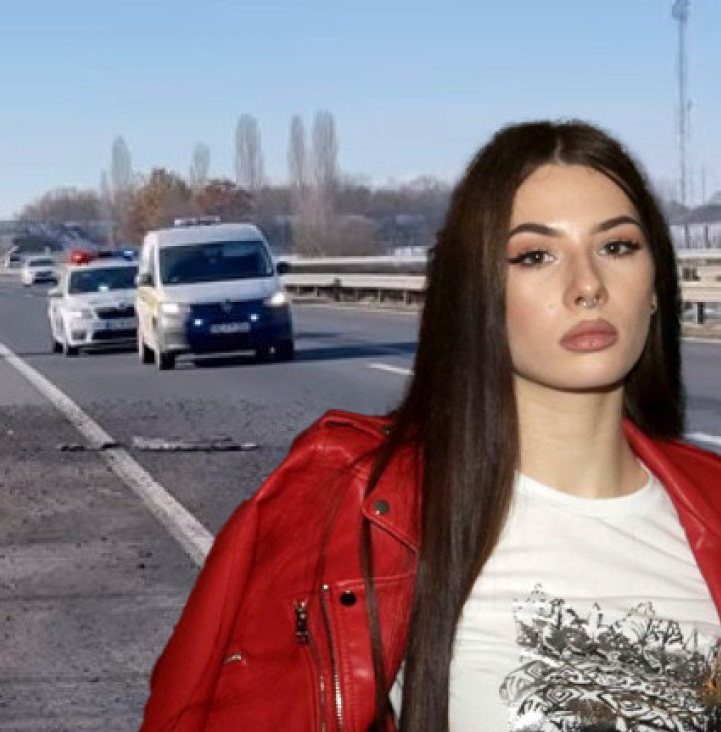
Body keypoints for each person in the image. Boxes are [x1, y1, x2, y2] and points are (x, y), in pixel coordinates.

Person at [140, 120, 721, 731]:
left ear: (656, 286)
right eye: (534, 256)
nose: (588, 287)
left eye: (618, 247)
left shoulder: (708, 504)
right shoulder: (358, 510)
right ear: (478, 293)